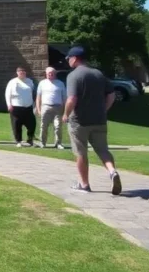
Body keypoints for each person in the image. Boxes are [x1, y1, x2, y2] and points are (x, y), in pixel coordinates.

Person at [62, 47, 121, 195]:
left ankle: (84, 184)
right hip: (99, 120)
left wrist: (65, 114)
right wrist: (103, 110)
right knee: (102, 150)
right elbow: (111, 95)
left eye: (69, 58)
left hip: (79, 122)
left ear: (75, 58)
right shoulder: (98, 74)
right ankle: (112, 171)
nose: (68, 61)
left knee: (80, 152)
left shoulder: (74, 76)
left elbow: (72, 99)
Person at [35, 66, 67, 149]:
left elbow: (64, 98)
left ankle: (58, 143)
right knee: (43, 126)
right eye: (49, 73)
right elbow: (38, 97)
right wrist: (38, 109)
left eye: (52, 73)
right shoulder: (42, 83)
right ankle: (42, 143)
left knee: (58, 126)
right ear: (46, 74)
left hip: (58, 107)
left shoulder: (60, 83)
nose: (50, 74)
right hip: (45, 107)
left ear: (55, 74)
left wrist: (65, 110)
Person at [5, 67, 37, 148]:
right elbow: (7, 94)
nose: (22, 73)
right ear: (17, 72)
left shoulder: (30, 81)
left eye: (23, 71)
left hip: (28, 107)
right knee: (16, 125)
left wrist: (34, 104)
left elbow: (32, 92)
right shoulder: (12, 82)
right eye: (20, 71)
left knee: (32, 124)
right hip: (16, 107)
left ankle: (30, 139)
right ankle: (18, 141)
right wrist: (9, 104)